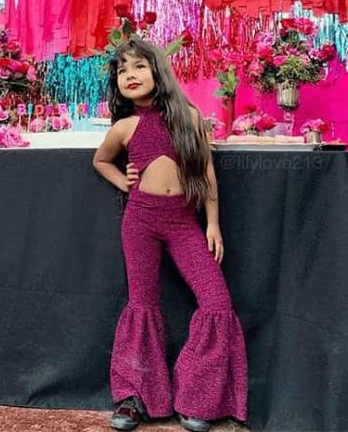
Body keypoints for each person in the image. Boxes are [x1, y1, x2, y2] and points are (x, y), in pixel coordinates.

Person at [93, 38, 248, 432]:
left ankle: (197, 398)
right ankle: (134, 397)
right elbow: (100, 161)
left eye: (139, 66)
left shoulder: (190, 119)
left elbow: (207, 172)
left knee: (217, 301)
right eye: (122, 70)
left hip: (183, 223)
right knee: (142, 304)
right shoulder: (124, 127)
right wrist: (125, 184)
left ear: (158, 70)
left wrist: (212, 223)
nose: (130, 75)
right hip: (141, 221)